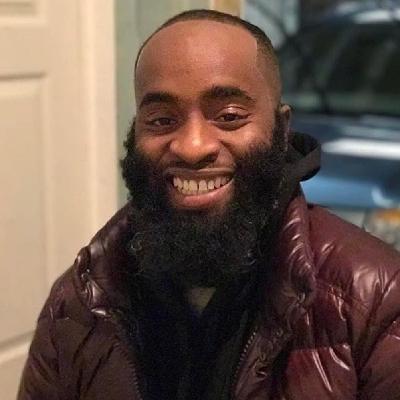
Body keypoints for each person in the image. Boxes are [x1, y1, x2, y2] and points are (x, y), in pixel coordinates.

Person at [18, 9, 400, 400]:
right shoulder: (78, 302)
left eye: (229, 116)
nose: (192, 146)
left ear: (282, 129)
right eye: (162, 120)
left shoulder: (377, 300)